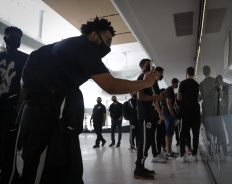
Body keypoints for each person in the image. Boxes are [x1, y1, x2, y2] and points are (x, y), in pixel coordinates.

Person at [18, 17, 159, 184]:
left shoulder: (70, 47)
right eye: (106, 41)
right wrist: (146, 82)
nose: (108, 47)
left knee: (69, 169)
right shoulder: (83, 46)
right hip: (45, 118)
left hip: (54, 118)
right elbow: (111, 85)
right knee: (41, 170)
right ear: (93, 35)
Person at [0, 26, 28, 184]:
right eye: (12, 37)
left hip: (11, 109)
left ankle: (9, 179)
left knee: (9, 147)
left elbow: (26, 86)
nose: (15, 40)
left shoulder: (25, 58)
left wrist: (17, 110)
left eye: (18, 38)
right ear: (5, 37)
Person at [134, 59, 164, 180]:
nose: (150, 66)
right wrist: (155, 96)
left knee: (148, 142)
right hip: (144, 116)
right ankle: (138, 170)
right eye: (147, 64)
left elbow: (155, 99)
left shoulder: (152, 81)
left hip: (151, 116)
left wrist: (159, 112)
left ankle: (142, 167)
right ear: (141, 66)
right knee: (144, 142)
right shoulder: (142, 77)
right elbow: (140, 96)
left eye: (151, 64)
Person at [176, 67, 201, 163]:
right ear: (193, 73)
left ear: (186, 73)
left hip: (185, 110)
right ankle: (194, 155)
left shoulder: (182, 83)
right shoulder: (196, 84)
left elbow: (179, 96)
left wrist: (179, 107)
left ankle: (182, 155)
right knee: (195, 133)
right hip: (195, 110)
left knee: (183, 133)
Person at [162, 78, 179, 158]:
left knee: (171, 133)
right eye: (177, 84)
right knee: (169, 133)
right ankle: (168, 152)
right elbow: (168, 102)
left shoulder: (170, 90)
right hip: (169, 115)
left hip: (169, 114)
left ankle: (169, 150)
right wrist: (172, 113)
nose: (177, 85)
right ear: (175, 83)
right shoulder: (169, 90)